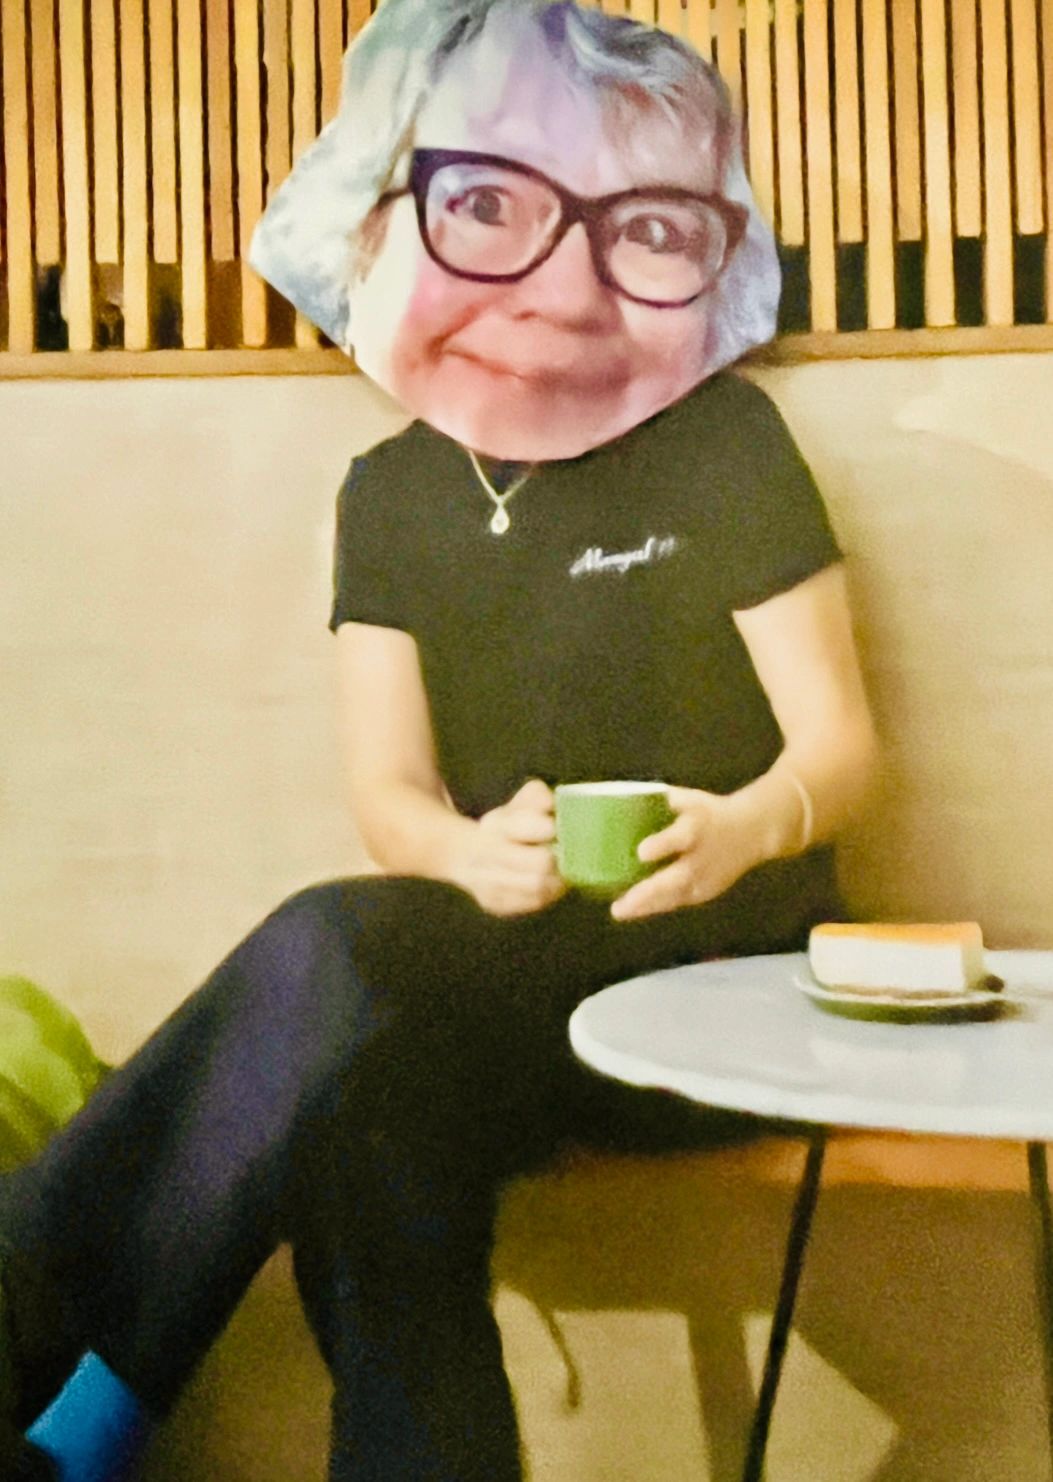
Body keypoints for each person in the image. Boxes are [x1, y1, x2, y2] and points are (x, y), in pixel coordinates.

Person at [1, 2, 877, 1478]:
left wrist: (747, 820)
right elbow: (391, 798)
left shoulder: (720, 443)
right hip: (502, 980)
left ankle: (43, 1357)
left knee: (330, 954)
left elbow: (843, 748)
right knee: (365, 1112)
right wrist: (467, 851)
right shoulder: (390, 493)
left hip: (720, 986)